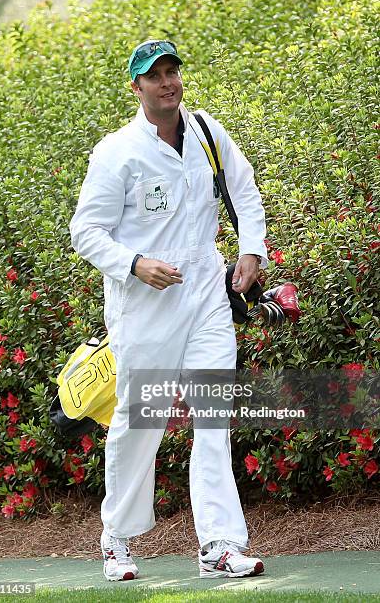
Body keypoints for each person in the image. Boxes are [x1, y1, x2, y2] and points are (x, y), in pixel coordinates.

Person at [70, 39, 268, 581]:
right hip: (146, 303)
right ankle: (116, 538)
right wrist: (133, 263)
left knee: (213, 419)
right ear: (136, 87)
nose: (168, 82)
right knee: (141, 420)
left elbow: (245, 191)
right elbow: (85, 231)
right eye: (154, 75)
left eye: (172, 71)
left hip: (206, 290)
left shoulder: (206, 131)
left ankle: (220, 545)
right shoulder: (117, 151)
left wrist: (251, 249)